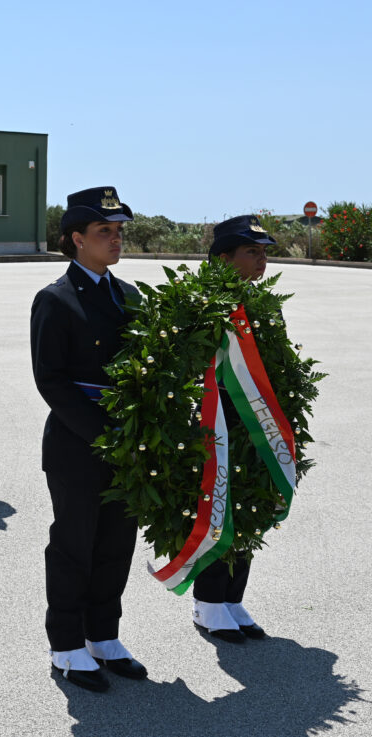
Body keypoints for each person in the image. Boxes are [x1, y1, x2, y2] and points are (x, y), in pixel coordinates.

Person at [30, 186, 146, 692]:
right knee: (75, 544)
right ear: (76, 238)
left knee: (117, 543)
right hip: (79, 445)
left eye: (118, 231)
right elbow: (51, 380)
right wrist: (106, 435)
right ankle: (66, 646)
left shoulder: (129, 296)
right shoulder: (55, 299)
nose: (115, 239)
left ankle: (103, 635)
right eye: (104, 231)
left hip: (129, 442)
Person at [191, 214, 275, 643]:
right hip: (216, 419)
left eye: (264, 253)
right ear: (223, 258)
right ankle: (208, 602)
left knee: (249, 505)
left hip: (254, 422)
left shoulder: (260, 303)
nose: (261, 260)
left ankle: (232, 597)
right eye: (251, 251)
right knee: (218, 505)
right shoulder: (202, 303)